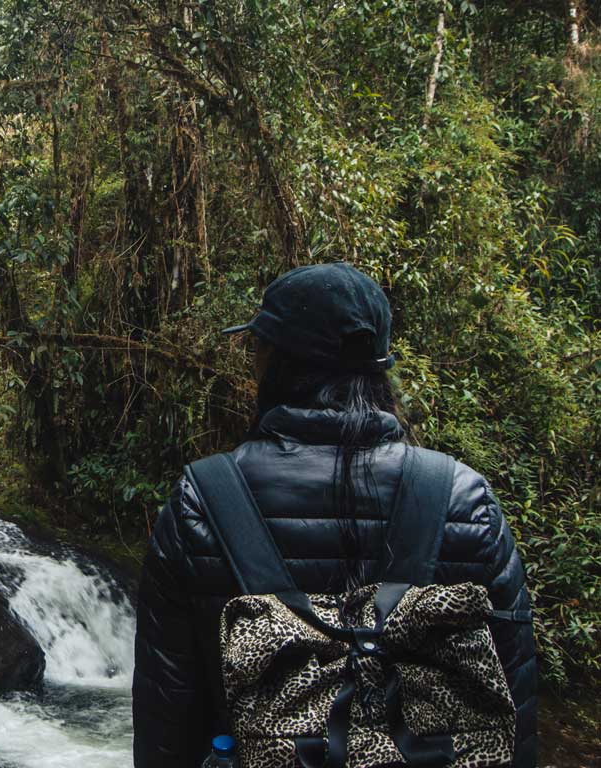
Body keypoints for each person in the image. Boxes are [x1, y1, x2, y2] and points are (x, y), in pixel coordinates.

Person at [132, 263, 537, 767]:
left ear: (276, 360)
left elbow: (165, 715)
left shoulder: (202, 500)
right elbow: (510, 702)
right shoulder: (463, 496)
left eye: (256, 344)